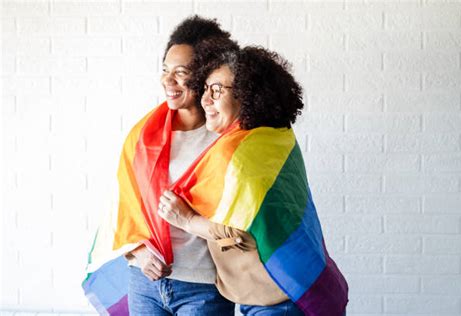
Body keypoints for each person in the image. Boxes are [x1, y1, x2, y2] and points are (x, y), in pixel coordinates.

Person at [157, 41, 349, 315]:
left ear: (246, 95)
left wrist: (185, 219)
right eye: (206, 89)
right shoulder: (275, 137)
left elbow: (238, 234)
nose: (205, 99)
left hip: (277, 297)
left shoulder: (237, 154)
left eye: (217, 90)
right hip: (295, 284)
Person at [83, 16, 236, 315]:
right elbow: (123, 210)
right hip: (145, 282)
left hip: (204, 287)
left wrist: (187, 217)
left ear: (206, 75)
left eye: (181, 72)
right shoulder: (143, 136)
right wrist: (139, 253)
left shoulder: (228, 138)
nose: (168, 81)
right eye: (165, 70)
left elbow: (242, 219)